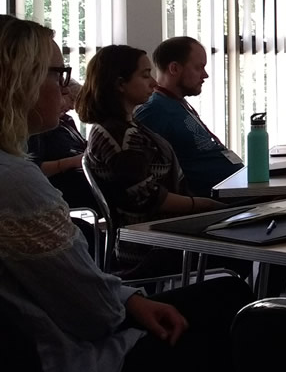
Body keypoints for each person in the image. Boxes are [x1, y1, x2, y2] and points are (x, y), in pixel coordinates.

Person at [0, 14, 253, 372]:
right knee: (236, 304)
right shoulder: (17, 183)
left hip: (88, 317)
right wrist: (209, 206)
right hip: (81, 352)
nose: (65, 84)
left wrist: (130, 299)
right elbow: (93, 313)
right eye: (58, 73)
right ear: (18, 80)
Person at [77, 45, 225, 271]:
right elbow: (148, 198)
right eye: (145, 75)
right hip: (153, 243)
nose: (154, 83)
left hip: (163, 233)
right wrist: (203, 205)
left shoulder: (127, 127)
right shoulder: (119, 137)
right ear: (120, 84)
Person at [135, 37, 242, 197]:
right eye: (199, 68)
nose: (205, 75)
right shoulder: (153, 111)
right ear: (174, 68)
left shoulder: (177, 103)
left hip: (235, 190)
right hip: (212, 203)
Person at [28, 79, 90, 208]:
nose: (73, 107)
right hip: (66, 188)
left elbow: (82, 144)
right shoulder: (40, 127)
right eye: (72, 99)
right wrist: (73, 161)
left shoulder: (67, 120)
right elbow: (35, 168)